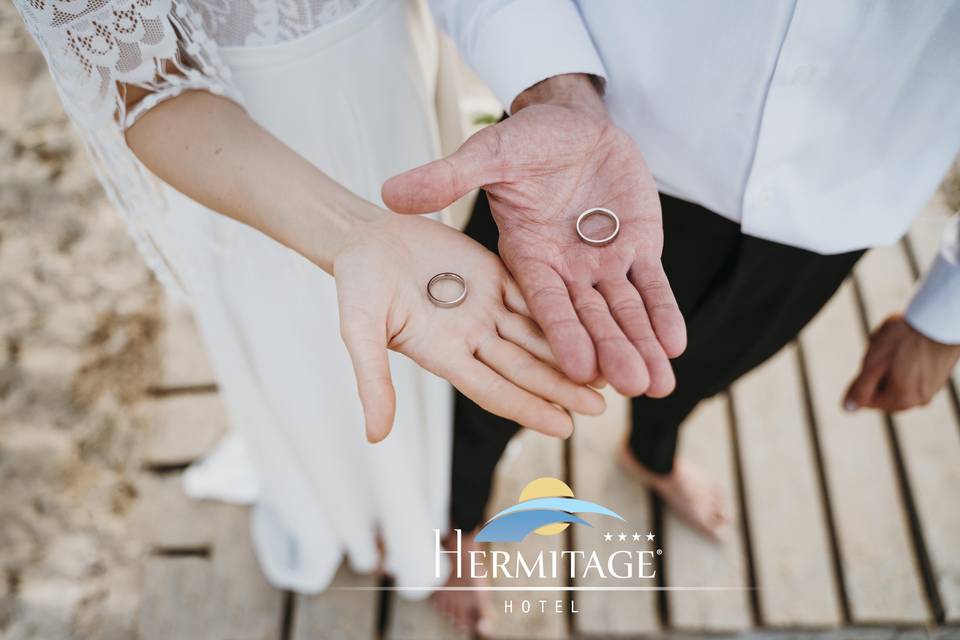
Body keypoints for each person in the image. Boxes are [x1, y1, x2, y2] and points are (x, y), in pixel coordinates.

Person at [382, 0, 960, 628]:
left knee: (698, 366)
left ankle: (650, 454)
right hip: (597, 150)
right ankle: (460, 522)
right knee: (495, 372)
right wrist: (554, 88)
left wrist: (948, 310)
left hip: (834, 205)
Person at [11, 0, 605, 596]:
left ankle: (433, 510)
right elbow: (142, 84)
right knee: (316, 349)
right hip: (248, 162)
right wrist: (354, 234)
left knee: (432, 339)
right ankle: (366, 514)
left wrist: (558, 95)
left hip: (393, 76)